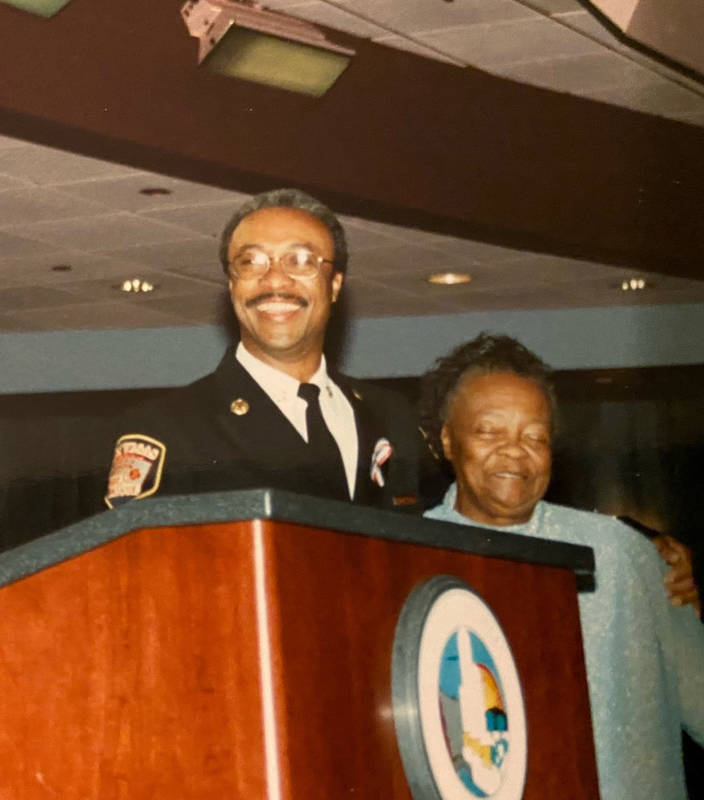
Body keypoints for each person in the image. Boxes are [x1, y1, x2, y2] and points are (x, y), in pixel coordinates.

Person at [420, 333, 704, 800]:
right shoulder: (409, 561)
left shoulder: (622, 556)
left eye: (535, 437)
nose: (515, 452)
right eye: (490, 432)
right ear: (447, 440)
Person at [105, 188, 417, 510]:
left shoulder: (391, 416)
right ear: (232, 286)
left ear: (334, 285)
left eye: (300, 260)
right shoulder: (167, 428)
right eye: (251, 262)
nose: (275, 281)